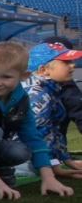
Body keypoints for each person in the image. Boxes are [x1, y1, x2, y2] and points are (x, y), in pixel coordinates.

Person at [0, 42, 75, 199]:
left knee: (21, 151)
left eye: (6, 77)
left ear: (24, 76)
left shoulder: (21, 98)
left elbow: (32, 136)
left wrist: (49, 178)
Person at [24, 42, 82, 175]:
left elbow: (54, 129)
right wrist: (55, 168)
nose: (73, 65)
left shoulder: (52, 88)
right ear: (44, 70)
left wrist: (66, 159)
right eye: (65, 62)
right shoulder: (37, 94)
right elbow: (39, 133)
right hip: (21, 153)